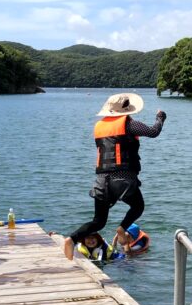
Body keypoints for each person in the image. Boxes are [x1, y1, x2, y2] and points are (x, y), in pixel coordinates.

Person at [64, 93, 166, 260]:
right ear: (127, 110)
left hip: (101, 180)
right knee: (138, 207)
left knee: (98, 221)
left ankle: (72, 239)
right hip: (123, 178)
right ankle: (122, 228)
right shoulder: (129, 124)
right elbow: (154, 132)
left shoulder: (99, 126)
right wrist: (160, 117)